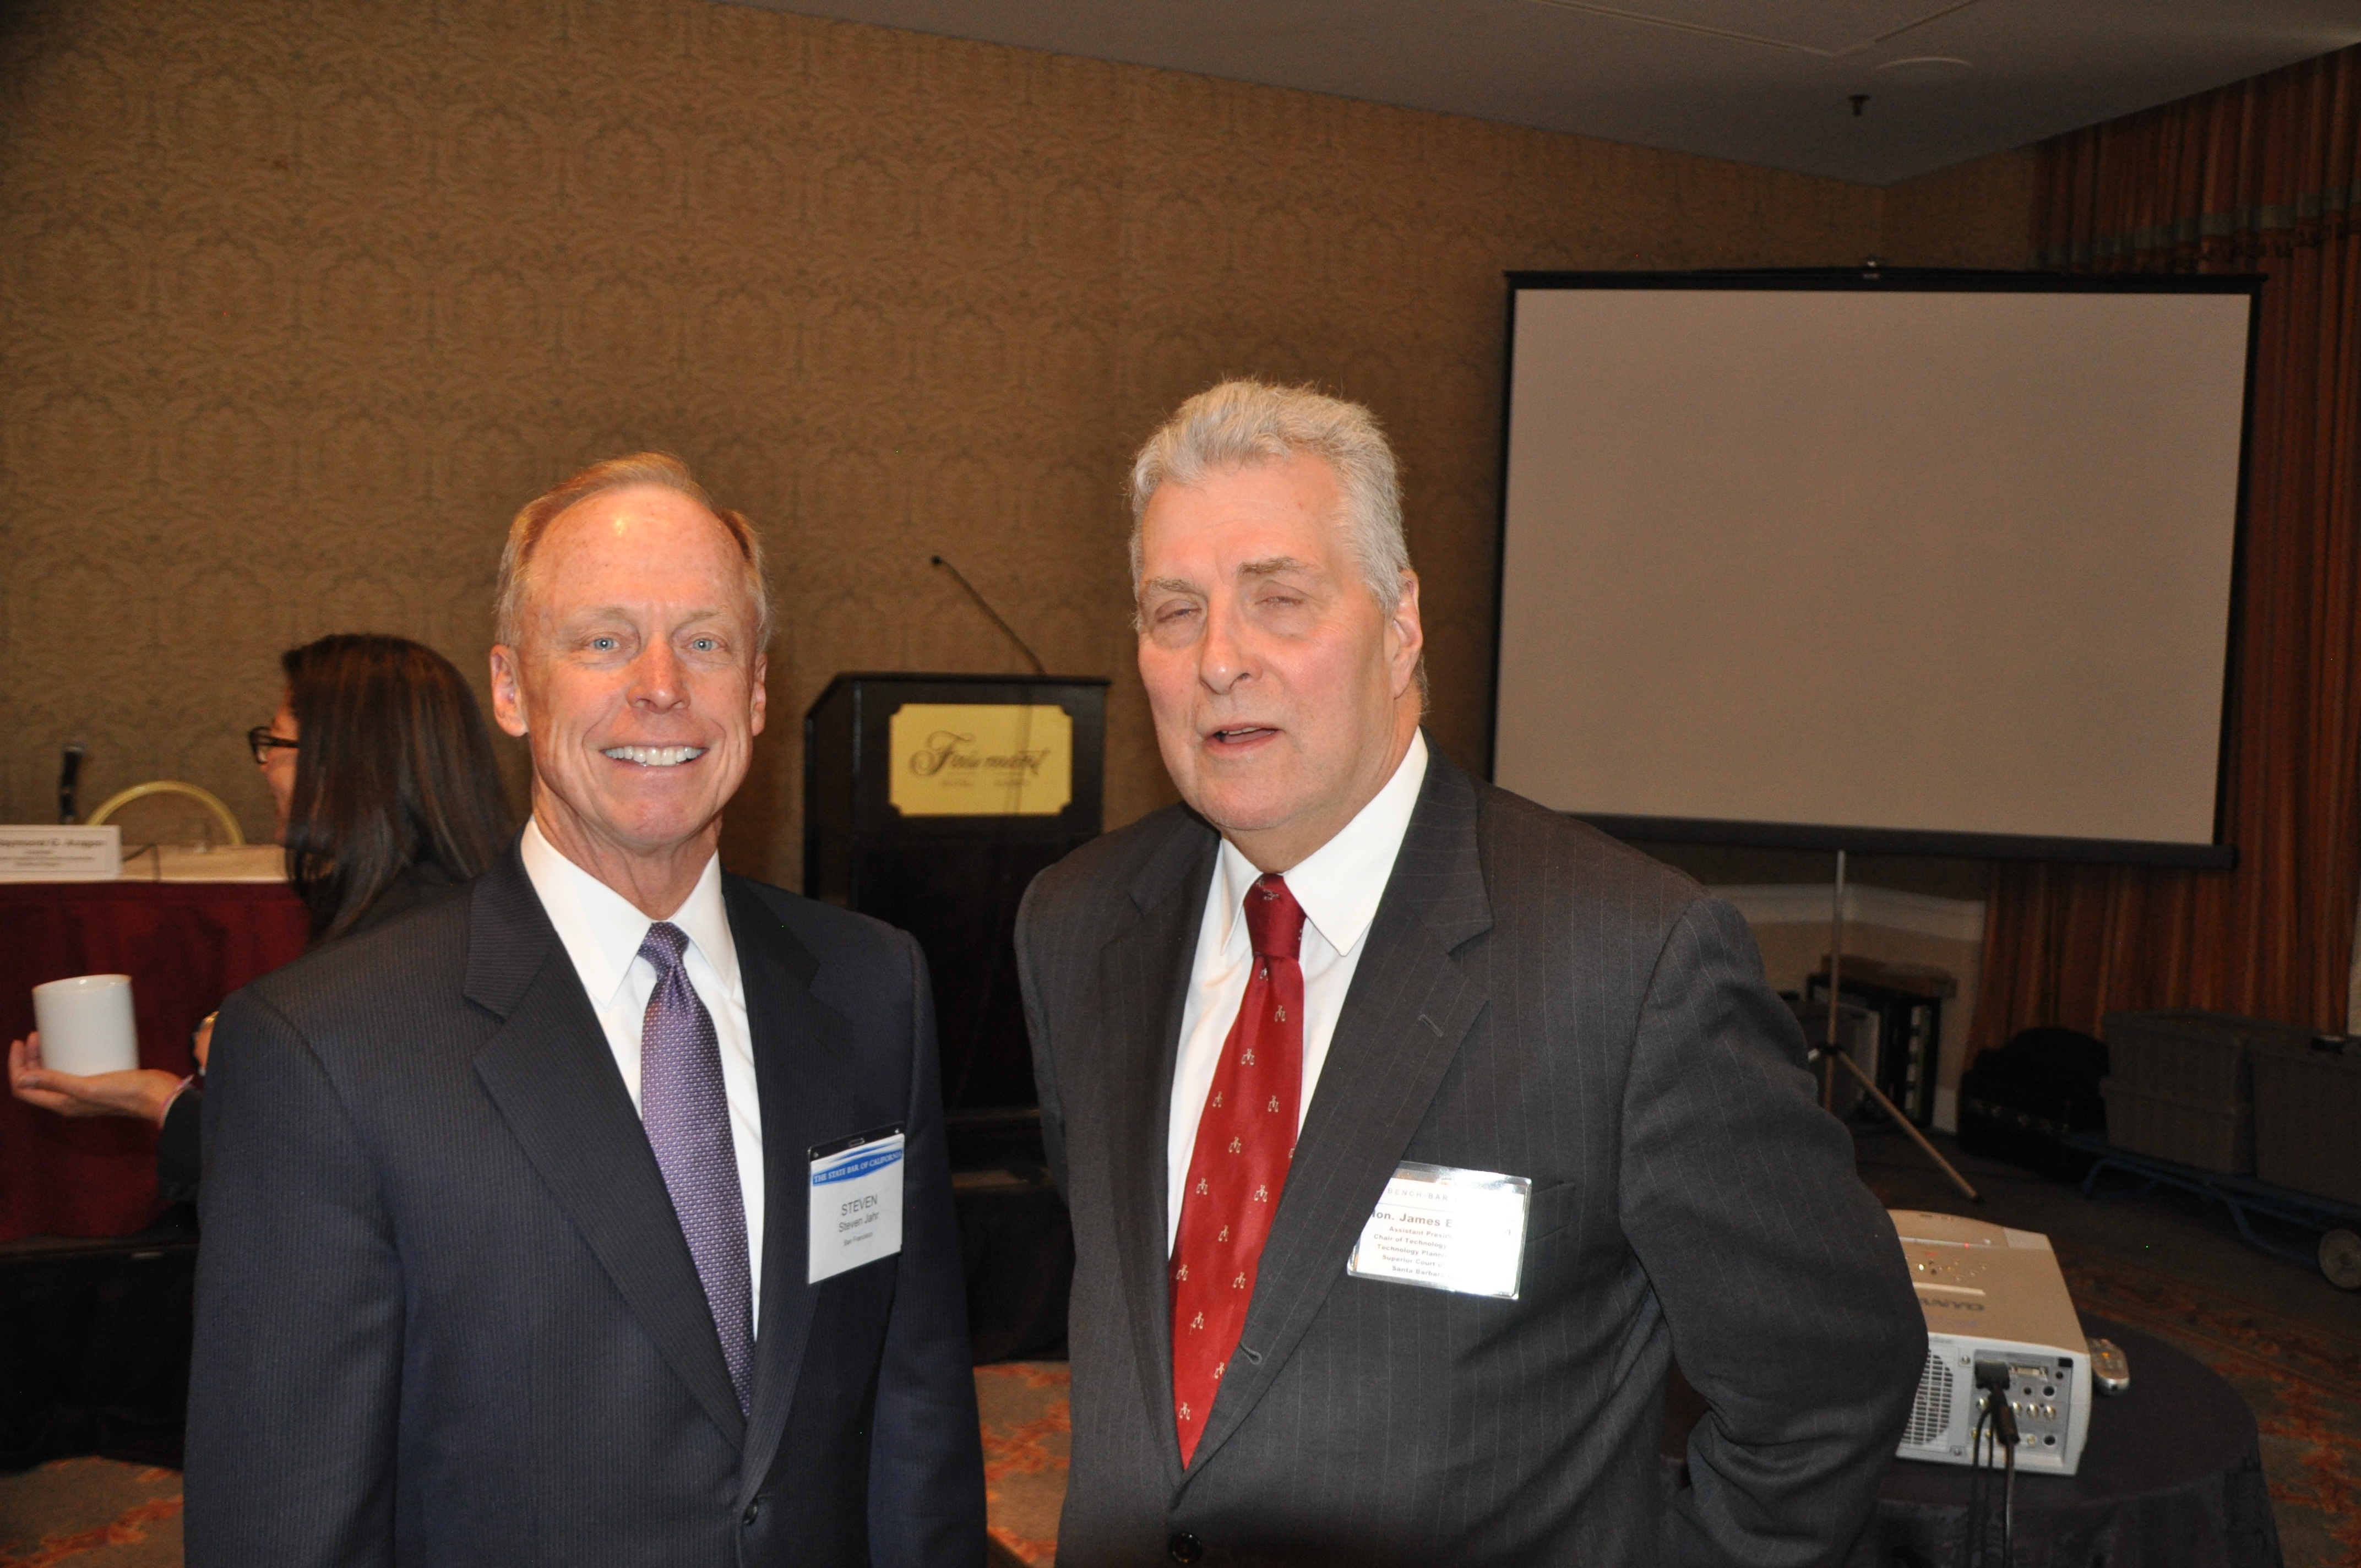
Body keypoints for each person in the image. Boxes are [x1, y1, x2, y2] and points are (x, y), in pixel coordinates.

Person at [1014, 381, 1926, 1566]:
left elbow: (1829, 1381)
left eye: (1277, 597)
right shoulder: (1078, 924)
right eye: (1172, 610)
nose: (1219, 659)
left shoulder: (1628, 962)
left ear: (1400, 623)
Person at [183, 454, 985, 1567]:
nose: (660, 685)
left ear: (757, 690)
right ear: (512, 688)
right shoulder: (326, 1049)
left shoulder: (871, 987)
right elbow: (288, 1520)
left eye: (704, 641)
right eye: (604, 640)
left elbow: (914, 1405)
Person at [7, 635, 510, 1201]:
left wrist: (195, 1079)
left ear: (343, 760)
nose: (265, 764)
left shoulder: (401, 951)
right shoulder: (463, 907)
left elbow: (314, 1170)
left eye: (276, 743)